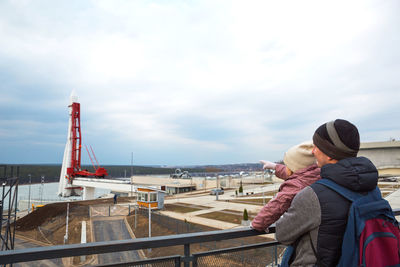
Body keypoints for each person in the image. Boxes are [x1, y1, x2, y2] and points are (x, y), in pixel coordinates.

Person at [275, 119, 378, 267]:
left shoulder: (312, 195)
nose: (313, 151)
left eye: (316, 147)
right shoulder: (372, 188)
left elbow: (282, 234)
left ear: (329, 154)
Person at [251, 141, 321, 232]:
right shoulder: (315, 174)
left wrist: (257, 224)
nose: (285, 166)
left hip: (304, 230)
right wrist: (275, 166)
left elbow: (275, 207)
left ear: (293, 168)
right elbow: (295, 173)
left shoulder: (295, 186)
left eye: (287, 165)